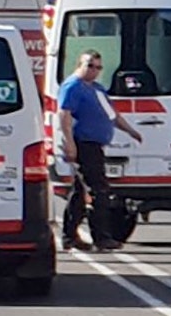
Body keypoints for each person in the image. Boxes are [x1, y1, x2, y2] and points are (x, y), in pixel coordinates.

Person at [57, 50, 142, 252]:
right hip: (84, 143)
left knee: (79, 192)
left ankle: (69, 236)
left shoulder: (97, 89)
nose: (94, 70)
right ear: (79, 64)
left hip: (96, 145)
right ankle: (101, 237)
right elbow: (64, 115)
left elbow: (112, 115)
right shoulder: (73, 87)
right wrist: (69, 143)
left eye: (98, 67)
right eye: (89, 65)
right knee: (99, 190)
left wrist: (131, 131)